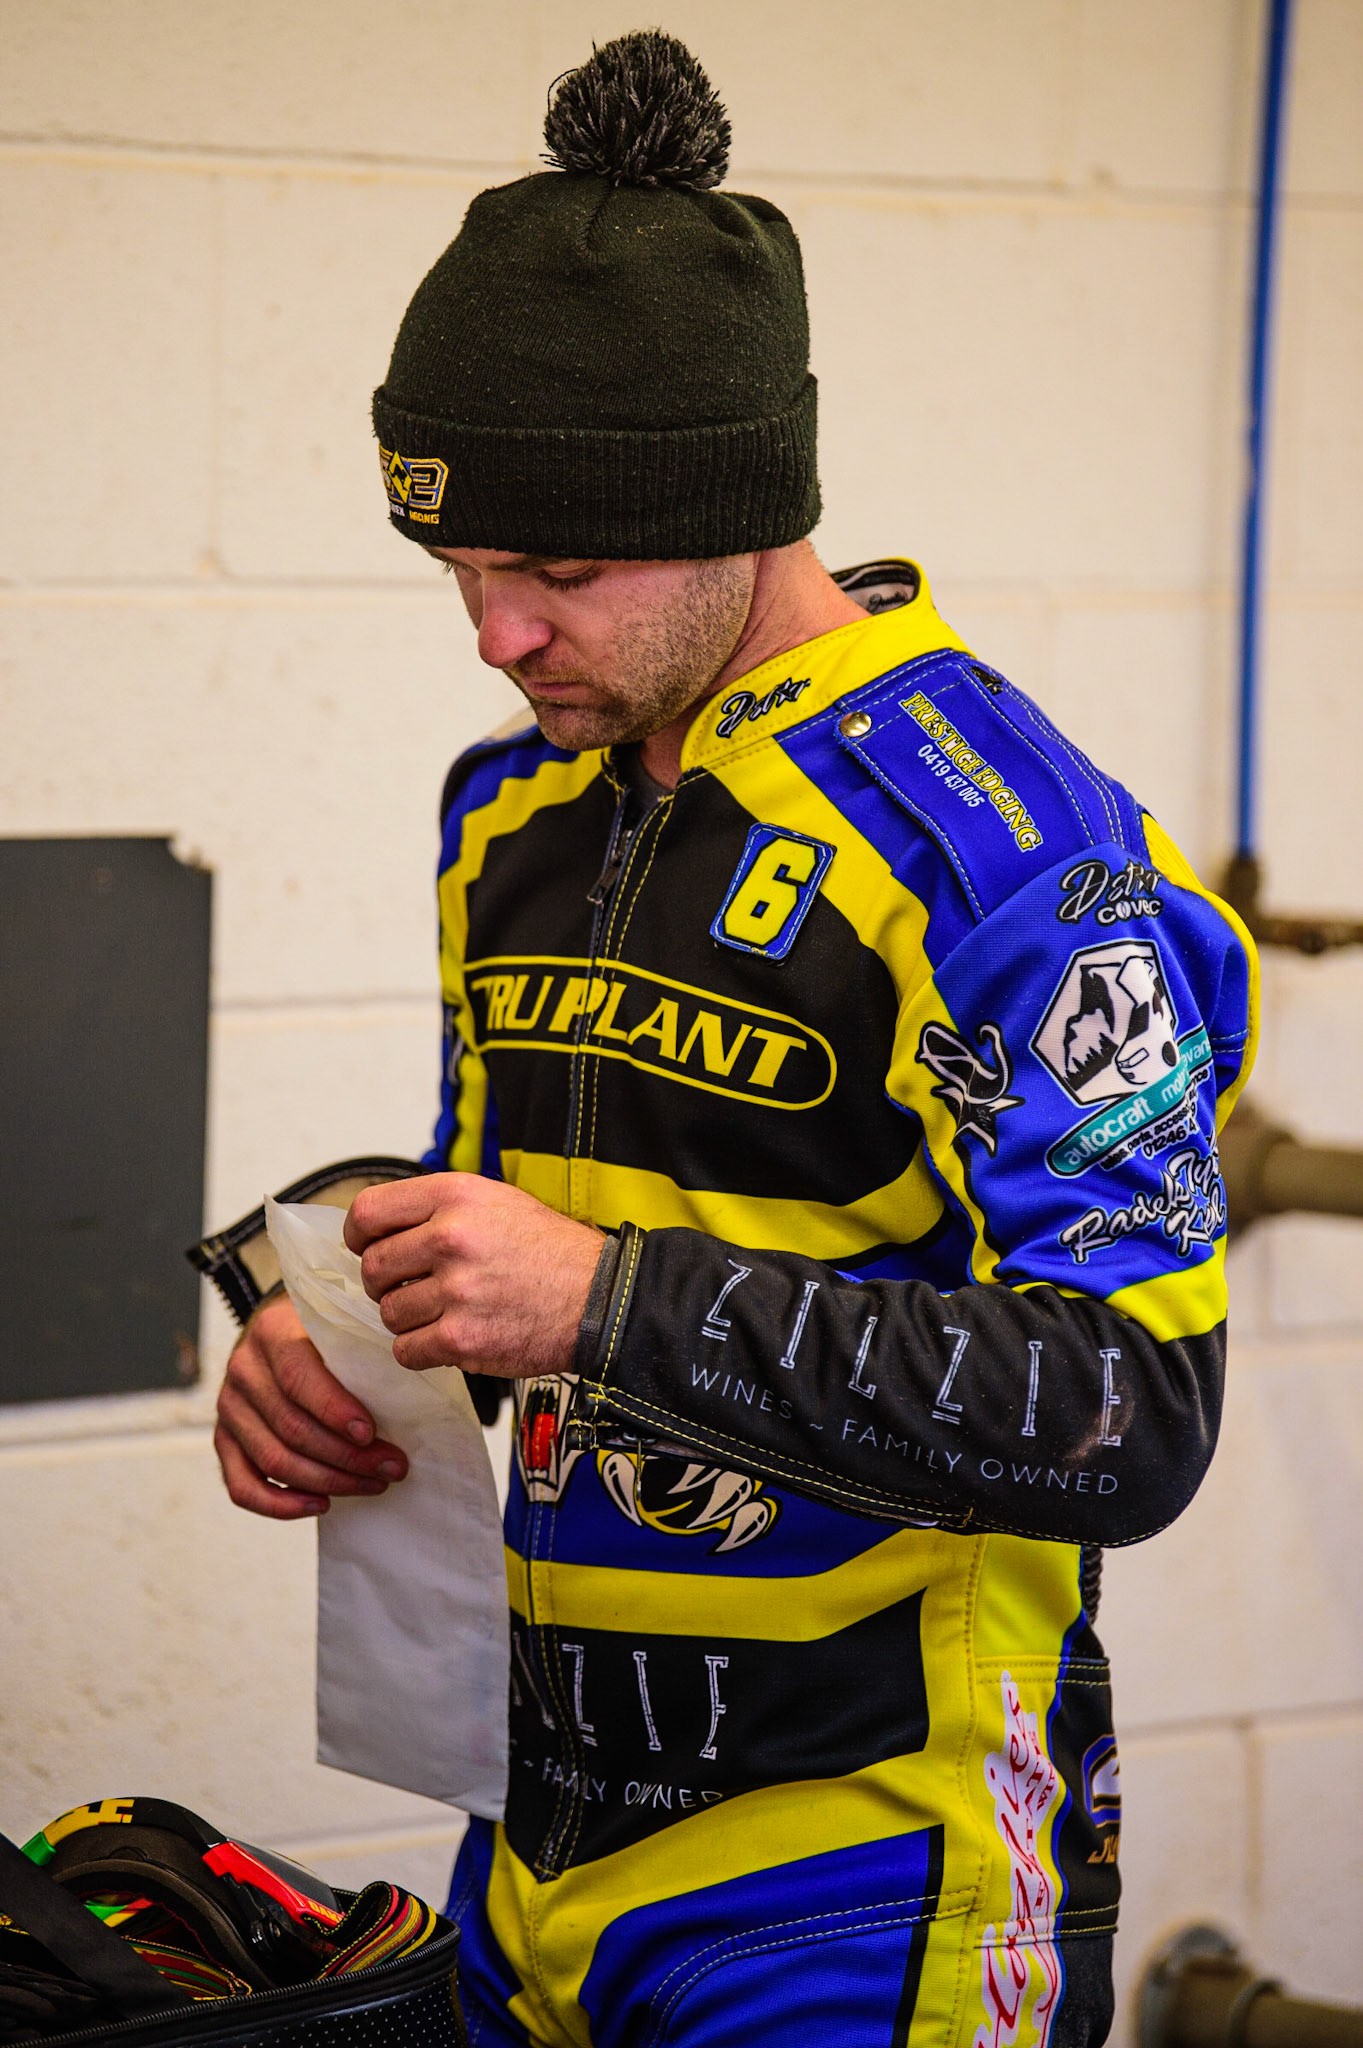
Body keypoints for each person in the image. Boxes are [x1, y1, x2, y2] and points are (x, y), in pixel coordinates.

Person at [208, 31, 1256, 2048]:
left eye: (557, 573)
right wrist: (329, 1318)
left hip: (874, 1878)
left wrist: (603, 1305)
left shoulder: (1014, 857)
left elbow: (1134, 1406)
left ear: (733, 512)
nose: (495, 637)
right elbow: (516, 1223)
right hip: (529, 1853)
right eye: (459, 571)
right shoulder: (508, 807)